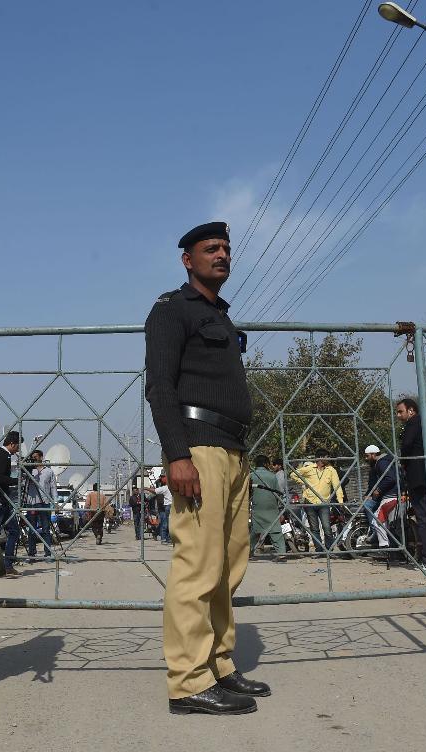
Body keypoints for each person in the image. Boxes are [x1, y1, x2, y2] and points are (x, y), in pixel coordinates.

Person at [145, 220, 270, 716]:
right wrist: (177, 454)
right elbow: (160, 386)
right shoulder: (172, 311)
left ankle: (218, 664)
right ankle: (189, 681)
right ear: (187, 260)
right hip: (197, 449)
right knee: (197, 565)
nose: (220, 255)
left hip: (232, 450)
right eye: (209, 249)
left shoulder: (220, 315)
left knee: (228, 567)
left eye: (225, 249)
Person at [396, 397, 426, 569]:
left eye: (400, 411)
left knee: (424, 519)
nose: (398, 415)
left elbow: (407, 445)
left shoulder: (413, 424)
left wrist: (403, 460)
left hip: (418, 478)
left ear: (411, 410)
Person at [289, 453, 344, 552]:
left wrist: (340, 501)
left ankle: (329, 550)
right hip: (310, 503)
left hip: (324, 503)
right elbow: (293, 474)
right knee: (314, 529)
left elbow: (337, 486)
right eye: (326, 457)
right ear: (319, 458)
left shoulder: (331, 470)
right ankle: (319, 550)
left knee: (327, 528)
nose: (328, 459)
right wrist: (303, 482)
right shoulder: (309, 468)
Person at [0, 431, 24, 569]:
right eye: (17, 446)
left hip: (2, 499)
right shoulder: (2, 456)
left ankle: (8, 565)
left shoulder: (2, 455)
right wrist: (16, 480)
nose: (18, 449)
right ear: (12, 443)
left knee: (14, 531)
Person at [363, 445, 398, 549]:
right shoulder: (383, 462)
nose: (366, 458)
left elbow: (390, 479)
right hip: (389, 495)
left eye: (367, 456)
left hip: (389, 495)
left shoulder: (381, 463)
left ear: (373, 454)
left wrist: (378, 490)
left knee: (377, 521)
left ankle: (382, 545)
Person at [22, 449, 55, 558]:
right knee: (31, 529)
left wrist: (55, 502)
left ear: (41, 457)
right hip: (32, 502)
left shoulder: (49, 472)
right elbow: (22, 483)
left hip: (44, 502)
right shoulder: (30, 470)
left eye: (36, 457)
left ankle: (47, 553)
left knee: (46, 528)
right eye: (33, 457)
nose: (34, 459)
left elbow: (53, 487)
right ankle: (32, 554)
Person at [250, 455, 284, 559]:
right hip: (271, 507)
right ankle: (281, 553)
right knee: (275, 530)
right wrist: (280, 507)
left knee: (255, 531)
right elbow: (278, 492)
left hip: (257, 507)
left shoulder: (251, 475)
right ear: (266, 464)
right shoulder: (272, 476)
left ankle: (248, 552)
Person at [155, 476, 173, 544]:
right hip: (162, 508)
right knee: (164, 523)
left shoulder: (167, 487)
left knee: (167, 523)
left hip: (165, 507)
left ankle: (167, 538)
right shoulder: (162, 488)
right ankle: (163, 538)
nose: (162, 480)